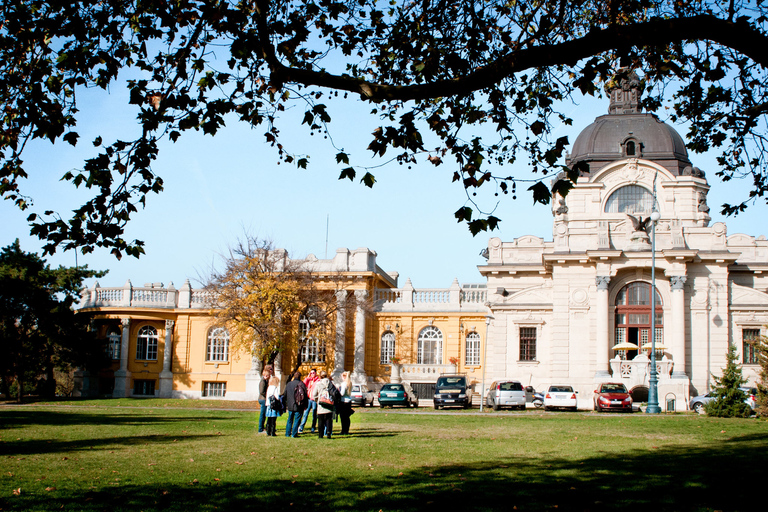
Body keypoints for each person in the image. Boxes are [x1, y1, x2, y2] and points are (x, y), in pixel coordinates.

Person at [311, 370, 335, 439]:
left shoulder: (318, 384)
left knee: (320, 420)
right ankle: (328, 433)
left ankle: (320, 434)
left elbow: (314, 394)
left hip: (321, 403)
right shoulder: (331, 383)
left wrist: (317, 400)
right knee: (328, 419)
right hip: (329, 403)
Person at [284, 371, 308, 437]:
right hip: (299, 404)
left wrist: (286, 402)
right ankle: (294, 434)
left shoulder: (289, 384)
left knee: (290, 419)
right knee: (297, 419)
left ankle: (287, 433)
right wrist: (306, 405)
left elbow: (285, 394)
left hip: (290, 405)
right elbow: (305, 396)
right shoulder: (302, 384)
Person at [299, 368, 319, 433]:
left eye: (313, 373)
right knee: (306, 413)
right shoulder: (309, 380)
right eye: (311, 373)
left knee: (314, 414)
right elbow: (303, 384)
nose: (312, 374)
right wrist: (307, 378)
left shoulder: (317, 380)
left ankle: (313, 427)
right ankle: (301, 427)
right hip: (308, 399)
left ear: (316, 373)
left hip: (314, 399)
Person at [257, 365, 273, 434]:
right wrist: (267, 395)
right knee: (263, 414)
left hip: (264, 399)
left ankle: (265, 427)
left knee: (265, 414)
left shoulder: (266, 380)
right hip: (263, 399)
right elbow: (261, 391)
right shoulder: (263, 381)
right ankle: (260, 428)